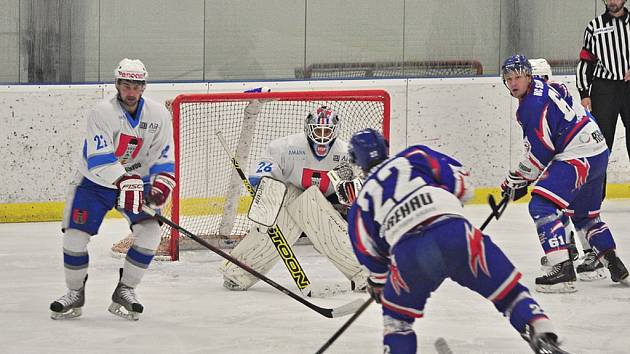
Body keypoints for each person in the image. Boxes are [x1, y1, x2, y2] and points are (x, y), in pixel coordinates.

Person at [347, 128, 569, 354]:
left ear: (357, 162)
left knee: (398, 323)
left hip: (410, 253)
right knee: (510, 294)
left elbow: (367, 251)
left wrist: (379, 281)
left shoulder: (361, 203)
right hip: (456, 234)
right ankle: (542, 336)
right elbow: (463, 185)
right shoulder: (415, 156)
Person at [49, 58, 176, 320]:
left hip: (139, 179)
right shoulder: (101, 112)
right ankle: (74, 293)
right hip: (94, 183)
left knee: (150, 232)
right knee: (74, 236)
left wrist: (162, 181)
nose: (131, 91)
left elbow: (163, 153)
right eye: (126, 85)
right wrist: (122, 179)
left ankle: (126, 289)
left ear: (144, 87)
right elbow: (99, 156)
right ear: (117, 84)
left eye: (136, 86)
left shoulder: (159, 115)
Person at [500, 54, 628, 293]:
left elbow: (541, 152)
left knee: (541, 206)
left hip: (578, 155)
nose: (514, 82)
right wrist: (523, 178)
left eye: (518, 76)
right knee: (584, 215)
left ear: (528, 76)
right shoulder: (547, 86)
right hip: (598, 150)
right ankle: (614, 262)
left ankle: (562, 270)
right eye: (509, 78)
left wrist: (516, 179)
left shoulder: (530, 106)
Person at [218, 105, 368, 293]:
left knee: (316, 207)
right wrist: (262, 188)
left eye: (326, 131)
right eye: (318, 130)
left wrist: (351, 194)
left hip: (329, 207)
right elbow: (263, 171)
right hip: (289, 200)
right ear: (308, 129)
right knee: (290, 209)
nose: (322, 136)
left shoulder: (347, 154)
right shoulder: (286, 147)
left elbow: (360, 189)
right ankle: (239, 272)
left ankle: (363, 272)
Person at [576, 0, 630, 198]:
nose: (612, 1)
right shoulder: (594, 26)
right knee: (601, 142)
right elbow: (585, 61)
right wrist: (584, 92)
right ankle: (596, 194)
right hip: (604, 88)